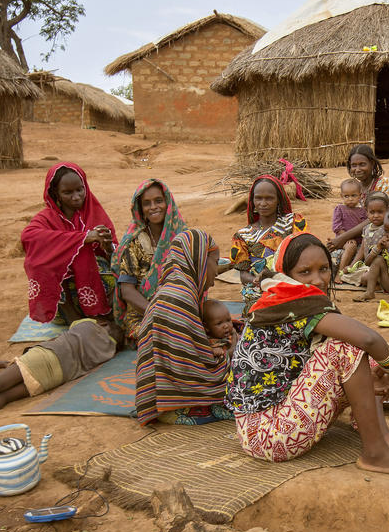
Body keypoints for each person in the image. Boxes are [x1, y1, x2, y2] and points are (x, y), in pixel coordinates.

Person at [228, 233, 389, 477]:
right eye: (305, 272)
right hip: (267, 435)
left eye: (324, 269)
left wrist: (376, 370)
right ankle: (376, 453)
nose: (318, 279)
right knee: (348, 348)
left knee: (363, 356)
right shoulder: (291, 302)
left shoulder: (287, 297)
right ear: (286, 273)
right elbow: (369, 339)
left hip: (281, 418)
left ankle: (383, 436)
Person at [0, 316, 124, 424]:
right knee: (5, 398)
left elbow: (74, 323)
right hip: (57, 377)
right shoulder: (109, 353)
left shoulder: (89, 325)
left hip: (46, 355)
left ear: (104, 324)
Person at [136, 229, 233, 425]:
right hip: (170, 393)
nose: (217, 270)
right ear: (199, 261)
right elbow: (191, 362)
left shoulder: (179, 288)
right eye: (215, 263)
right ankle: (188, 407)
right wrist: (228, 352)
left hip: (162, 386)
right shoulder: (180, 298)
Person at [22, 163, 117, 324]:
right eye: (67, 192)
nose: (76, 196)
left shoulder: (95, 214)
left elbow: (115, 255)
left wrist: (107, 246)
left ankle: (98, 312)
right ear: (55, 193)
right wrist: (83, 239)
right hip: (64, 304)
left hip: (100, 291)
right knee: (43, 263)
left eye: (80, 190)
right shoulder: (46, 218)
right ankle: (73, 318)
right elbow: (28, 236)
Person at [110, 179, 188, 347]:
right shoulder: (135, 242)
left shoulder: (184, 237)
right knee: (166, 338)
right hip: (143, 314)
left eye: (158, 201)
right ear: (141, 210)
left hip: (178, 309)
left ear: (168, 203)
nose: (153, 207)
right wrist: (157, 314)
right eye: (147, 203)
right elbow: (127, 290)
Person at [230, 175, 309, 307]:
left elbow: (305, 253)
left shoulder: (293, 222)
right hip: (261, 287)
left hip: (291, 281)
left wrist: (282, 280)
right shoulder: (242, 235)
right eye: (258, 198)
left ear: (279, 199)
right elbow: (243, 274)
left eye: (269, 198)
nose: (263, 203)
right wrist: (259, 280)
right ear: (252, 200)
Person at [327, 145, 389, 256]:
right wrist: (344, 237)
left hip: (383, 235)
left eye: (362, 164)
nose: (357, 169)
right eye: (353, 165)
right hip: (360, 237)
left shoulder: (384, 184)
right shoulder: (356, 188)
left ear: (372, 163)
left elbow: (374, 218)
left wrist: (343, 238)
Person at [337, 191, 389, 286]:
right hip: (367, 265)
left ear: (388, 211)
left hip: (382, 267)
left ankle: (377, 283)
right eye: (372, 212)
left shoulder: (387, 229)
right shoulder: (366, 228)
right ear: (367, 212)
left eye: (380, 212)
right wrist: (352, 265)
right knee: (347, 275)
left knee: (365, 278)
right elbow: (362, 249)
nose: (376, 215)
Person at [331, 178, 366, 271]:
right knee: (351, 247)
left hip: (359, 241)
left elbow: (364, 228)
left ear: (360, 195)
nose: (350, 199)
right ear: (341, 196)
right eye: (346, 196)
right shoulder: (340, 209)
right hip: (342, 240)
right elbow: (336, 227)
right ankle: (340, 272)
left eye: (353, 195)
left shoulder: (363, 211)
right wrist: (347, 238)